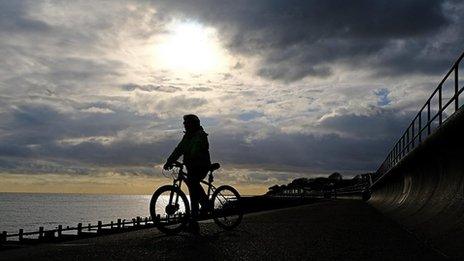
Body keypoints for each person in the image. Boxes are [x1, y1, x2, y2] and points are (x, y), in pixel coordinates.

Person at [163, 114, 211, 233]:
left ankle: (198, 216)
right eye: (184, 123)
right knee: (192, 188)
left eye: (186, 123)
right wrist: (169, 161)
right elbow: (179, 149)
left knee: (193, 189)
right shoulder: (187, 137)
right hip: (191, 167)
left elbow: (196, 149)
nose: (185, 125)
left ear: (193, 124)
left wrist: (188, 158)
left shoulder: (200, 135)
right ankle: (200, 210)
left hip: (201, 166)